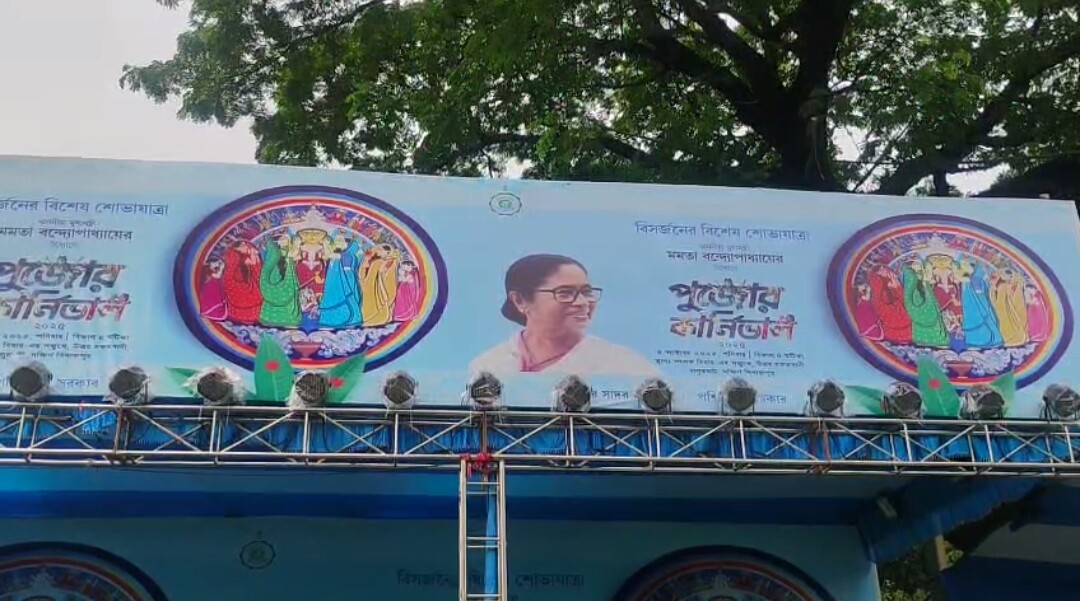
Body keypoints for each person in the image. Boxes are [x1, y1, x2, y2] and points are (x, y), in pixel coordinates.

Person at [469, 254, 659, 377]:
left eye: (586, 292)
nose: (582, 302)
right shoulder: (488, 366)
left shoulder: (624, 364)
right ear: (519, 300)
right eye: (565, 293)